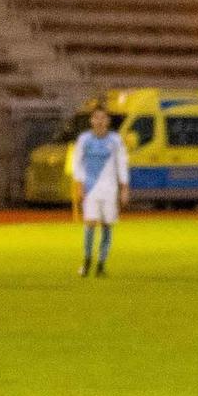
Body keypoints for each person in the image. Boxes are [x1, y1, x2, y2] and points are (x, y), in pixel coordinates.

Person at [71, 105, 129, 278]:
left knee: (106, 225)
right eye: (96, 118)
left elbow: (122, 163)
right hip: (90, 188)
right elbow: (77, 163)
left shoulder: (115, 140)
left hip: (110, 189)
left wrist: (124, 187)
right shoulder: (84, 139)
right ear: (91, 120)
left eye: (103, 118)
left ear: (108, 121)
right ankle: (87, 260)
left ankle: (101, 264)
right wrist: (79, 185)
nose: (99, 121)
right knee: (89, 223)